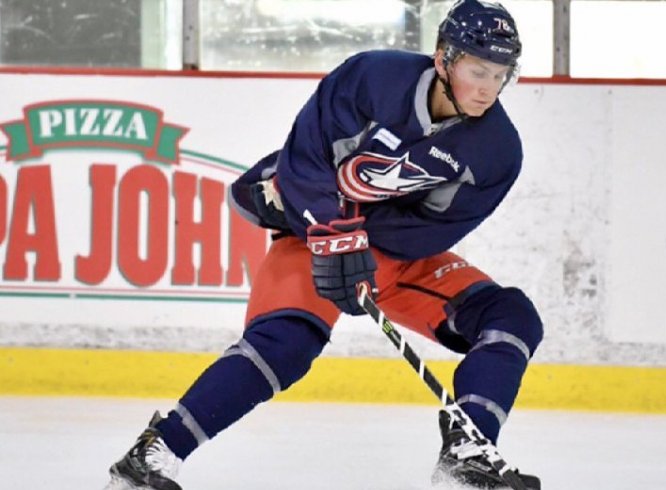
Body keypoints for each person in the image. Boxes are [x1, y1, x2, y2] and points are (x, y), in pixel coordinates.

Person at [104, 1, 543, 488]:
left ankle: (469, 451)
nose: (488, 87)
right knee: (286, 346)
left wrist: (357, 238)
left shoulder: (497, 150)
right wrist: (330, 230)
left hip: (394, 255)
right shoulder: (373, 79)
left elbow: (434, 230)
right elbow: (306, 158)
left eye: (500, 74)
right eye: (477, 69)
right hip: (313, 237)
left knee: (512, 317)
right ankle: (156, 451)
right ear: (443, 58)